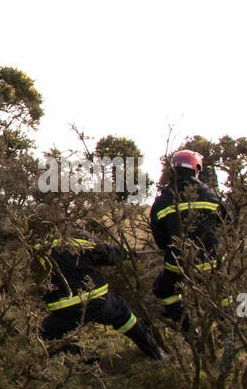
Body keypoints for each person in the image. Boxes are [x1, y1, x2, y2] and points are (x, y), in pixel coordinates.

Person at [36, 229, 165, 360]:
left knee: (43, 337)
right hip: (96, 299)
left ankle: (87, 358)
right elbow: (108, 255)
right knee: (123, 315)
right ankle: (154, 351)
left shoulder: (35, 249)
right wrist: (125, 254)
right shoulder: (77, 239)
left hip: (63, 308)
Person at [150, 149, 234, 330]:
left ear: (174, 171)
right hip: (212, 260)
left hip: (179, 265)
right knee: (225, 293)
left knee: (164, 289)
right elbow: (228, 223)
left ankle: (189, 331)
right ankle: (229, 331)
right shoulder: (210, 194)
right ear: (197, 169)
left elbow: (161, 242)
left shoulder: (162, 201)